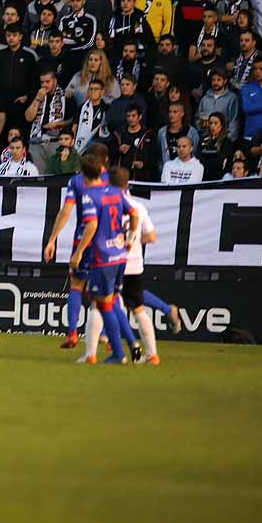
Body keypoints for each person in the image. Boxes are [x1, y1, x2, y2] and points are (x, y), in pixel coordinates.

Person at [70, 155, 137, 365]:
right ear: (101, 170)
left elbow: (90, 226)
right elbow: (134, 214)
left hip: (102, 257)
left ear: (83, 174)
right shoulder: (117, 192)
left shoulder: (90, 196)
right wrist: (130, 239)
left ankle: (118, 353)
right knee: (113, 300)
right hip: (119, 256)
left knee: (103, 304)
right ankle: (132, 344)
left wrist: (79, 252)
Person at [44, 144, 109, 349]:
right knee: (106, 292)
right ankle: (107, 336)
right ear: (105, 160)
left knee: (76, 285)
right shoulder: (114, 180)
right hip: (107, 241)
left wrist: (52, 239)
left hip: (82, 238)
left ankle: (73, 332)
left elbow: (66, 211)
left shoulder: (78, 181)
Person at [114, 168, 162, 365]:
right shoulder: (138, 207)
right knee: (138, 308)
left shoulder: (108, 204)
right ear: (127, 185)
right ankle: (153, 355)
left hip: (112, 264)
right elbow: (152, 237)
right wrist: (134, 241)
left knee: (102, 306)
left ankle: (102, 351)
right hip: (134, 265)